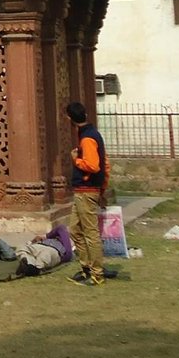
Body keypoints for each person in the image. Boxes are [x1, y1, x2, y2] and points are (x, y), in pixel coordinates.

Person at [66, 101, 109, 286]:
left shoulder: (88, 138)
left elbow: (93, 165)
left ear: (70, 119)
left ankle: (97, 274)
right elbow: (105, 165)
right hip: (83, 191)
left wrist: (77, 160)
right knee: (75, 230)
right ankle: (86, 267)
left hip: (87, 190)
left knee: (90, 233)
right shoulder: (87, 134)